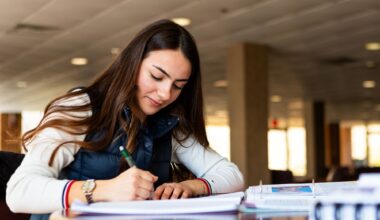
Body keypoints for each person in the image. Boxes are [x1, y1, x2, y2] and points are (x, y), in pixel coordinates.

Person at [6, 19, 244, 214]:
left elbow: (232, 175)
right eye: (157, 76)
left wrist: (190, 187)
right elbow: (19, 193)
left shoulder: (168, 123)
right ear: (133, 63)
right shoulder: (80, 106)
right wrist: (104, 189)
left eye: (178, 86)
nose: (165, 94)